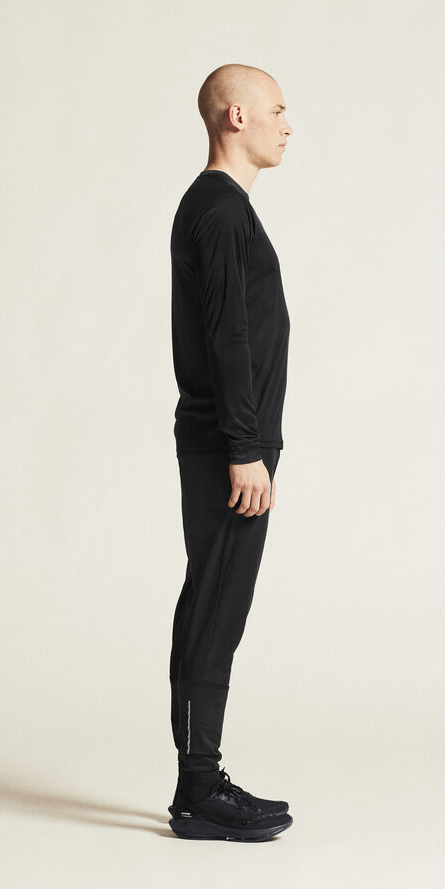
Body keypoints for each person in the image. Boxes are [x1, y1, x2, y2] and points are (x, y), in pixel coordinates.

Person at [167, 64, 294, 841]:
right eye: (277, 109)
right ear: (236, 116)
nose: (288, 124)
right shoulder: (217, 210)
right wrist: (246, 448)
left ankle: (200, 781)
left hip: (236, 443)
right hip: (228, 447)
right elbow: (228, 337)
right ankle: (198, 790)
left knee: (218, 606)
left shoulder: (225, 209)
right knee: (214, 608)